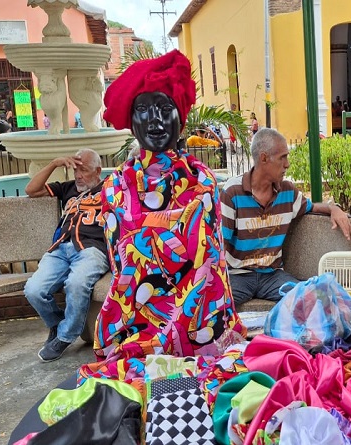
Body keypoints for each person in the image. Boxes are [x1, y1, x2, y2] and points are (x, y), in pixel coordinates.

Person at [79, 50, 245, 380]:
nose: (154, 119)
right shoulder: (115, 188)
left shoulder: (203, 184)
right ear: (130, 118)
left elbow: (211, 265)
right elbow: (121, 266)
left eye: (164, 108)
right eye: (143, 109)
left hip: (202, 329)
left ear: (180, 118)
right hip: (137, 328)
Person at [221, 127, 351, 305]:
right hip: (238, 276)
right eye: (282, 157)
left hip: (272, 276)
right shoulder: (232, 193)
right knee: (216, 308)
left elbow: (313, 206)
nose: (287, 164)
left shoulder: (287, 193)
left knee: (314, 300)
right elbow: (220, 244)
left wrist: (333, 208)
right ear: (264, 158)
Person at [23, 149, 110, 362]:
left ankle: (65, 336)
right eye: (75, 170)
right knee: (33, 290)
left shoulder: (111, 187)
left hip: (92, 249)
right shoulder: (67, 188)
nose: (78, 175)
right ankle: (57, 324)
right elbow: (31, 190)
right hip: (60, 249)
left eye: (84, 171)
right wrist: (54, 164)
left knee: (77, 284)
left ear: (98, 171)